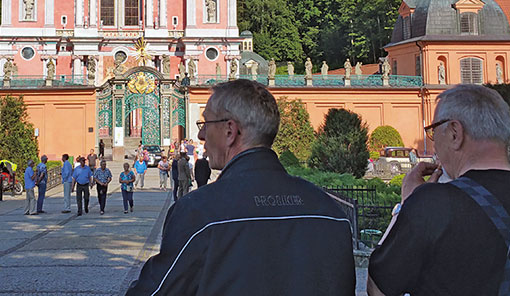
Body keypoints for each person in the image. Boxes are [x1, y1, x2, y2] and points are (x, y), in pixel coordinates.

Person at [126, 79, 355, 295]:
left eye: (205, 123)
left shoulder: (199, 212)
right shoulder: (330, 211)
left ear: (230, 131)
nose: (200, 134)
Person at [367, 84, 510, 296]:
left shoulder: (431, 204)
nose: (434, 143)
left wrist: (406, 206)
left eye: (433, 132)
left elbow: (378, 290)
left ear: (455, 133)